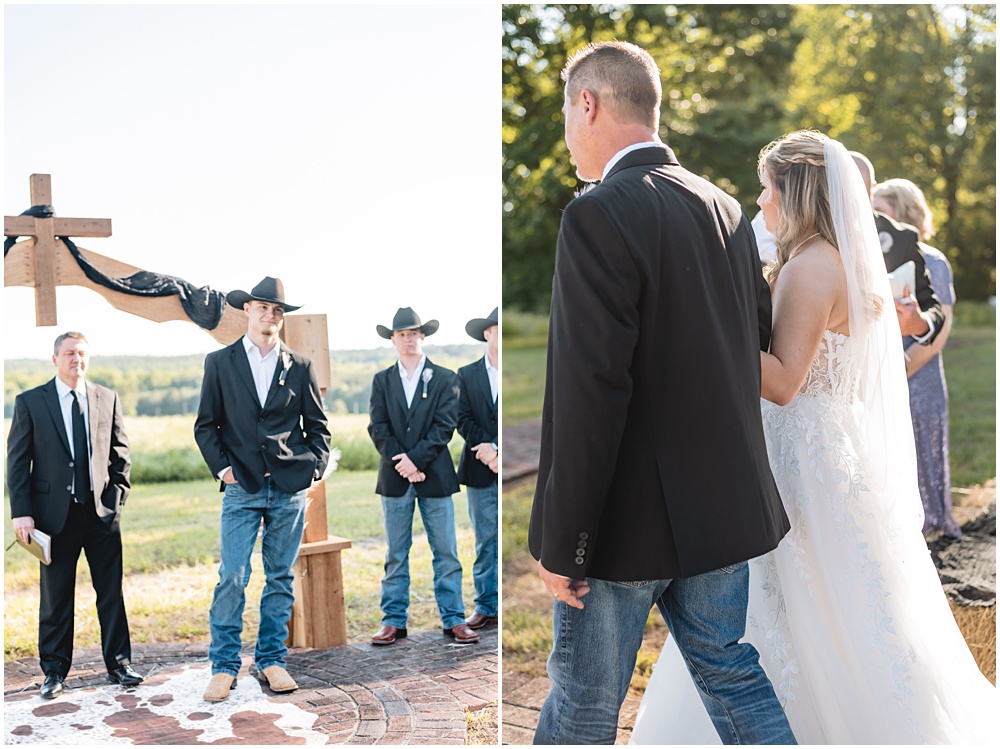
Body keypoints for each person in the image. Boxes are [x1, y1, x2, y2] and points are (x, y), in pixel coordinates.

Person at [632, 131, 995, 744]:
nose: (760, 200)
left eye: (768, 187)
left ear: (795, 191)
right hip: (833, 457)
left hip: (799, 466)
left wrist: (700, 334)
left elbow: (781, 383)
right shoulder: (844, 260)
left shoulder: (808, 269)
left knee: (783, 612)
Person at [528, 41, 795, 745]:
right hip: (718, 513)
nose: (566, 131)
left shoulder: (597, 214)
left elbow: (593, 390)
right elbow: (751, 346)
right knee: (732, 675)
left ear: (588, 103)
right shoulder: (728, 210)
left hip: (620, 528)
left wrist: (565, 539)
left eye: (565, 111)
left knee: (583, 705)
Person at [194, 276, 331, 702]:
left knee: (280, 578)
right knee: (233, 576)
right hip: (241, 487)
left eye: (276, 310)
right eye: (262, 308)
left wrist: (312, 470)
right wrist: (223, 469)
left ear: (280, 317)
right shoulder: (220, 363)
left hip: (289, 488)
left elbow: (318, 428)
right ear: (247, 311)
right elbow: (205, 426)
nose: (269, 315)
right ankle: (224, 666)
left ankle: (272, 660)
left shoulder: (301, 365)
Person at [6, 331, 142, 699]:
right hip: (53, 519)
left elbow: (121, 455)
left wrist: (116, 500)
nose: (76, 359)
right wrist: (22, 514)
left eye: (82, 353)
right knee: (55, 598)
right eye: (69, 353)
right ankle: (53, 672)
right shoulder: (31, 402)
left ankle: (119, 664)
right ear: (55, 359)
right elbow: (17, 464)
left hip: (101, 515)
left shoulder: (106, 397)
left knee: (110, 592)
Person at [367, 307, 479, 646]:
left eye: (413, 333)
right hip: (394, 475)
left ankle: (454, 619)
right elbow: (378, 426)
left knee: (445, 550)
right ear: (393, 339)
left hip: (436, 475)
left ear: (423, 337)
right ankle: (393, 621)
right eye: (401, 334)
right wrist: (402, 462)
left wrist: (416, 460)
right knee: (395, 553)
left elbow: (445, 425)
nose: (408, 339)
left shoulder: (446, 377)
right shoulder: (381, 380)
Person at [873, 178, 961, 538]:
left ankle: (933, 524)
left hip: (917, 376)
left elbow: (939, 330)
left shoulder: (932, 260)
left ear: (904, 211)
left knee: (921, 451)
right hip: (882, 374)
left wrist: (900, 368)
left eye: (881, 209)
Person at [850, 150, 945, 344]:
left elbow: (932, 308)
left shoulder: (902, 237)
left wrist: (918, 323)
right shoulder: (804, 235)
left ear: (872, 188)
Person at [457, 307, 499, 630]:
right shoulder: (466, 374)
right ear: (487, 333)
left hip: (509, 467)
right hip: (479, 468)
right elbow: (462, 419)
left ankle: (506, 605)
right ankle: (487, 604)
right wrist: (487, 450)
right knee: (486, 539)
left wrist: (501, 449)